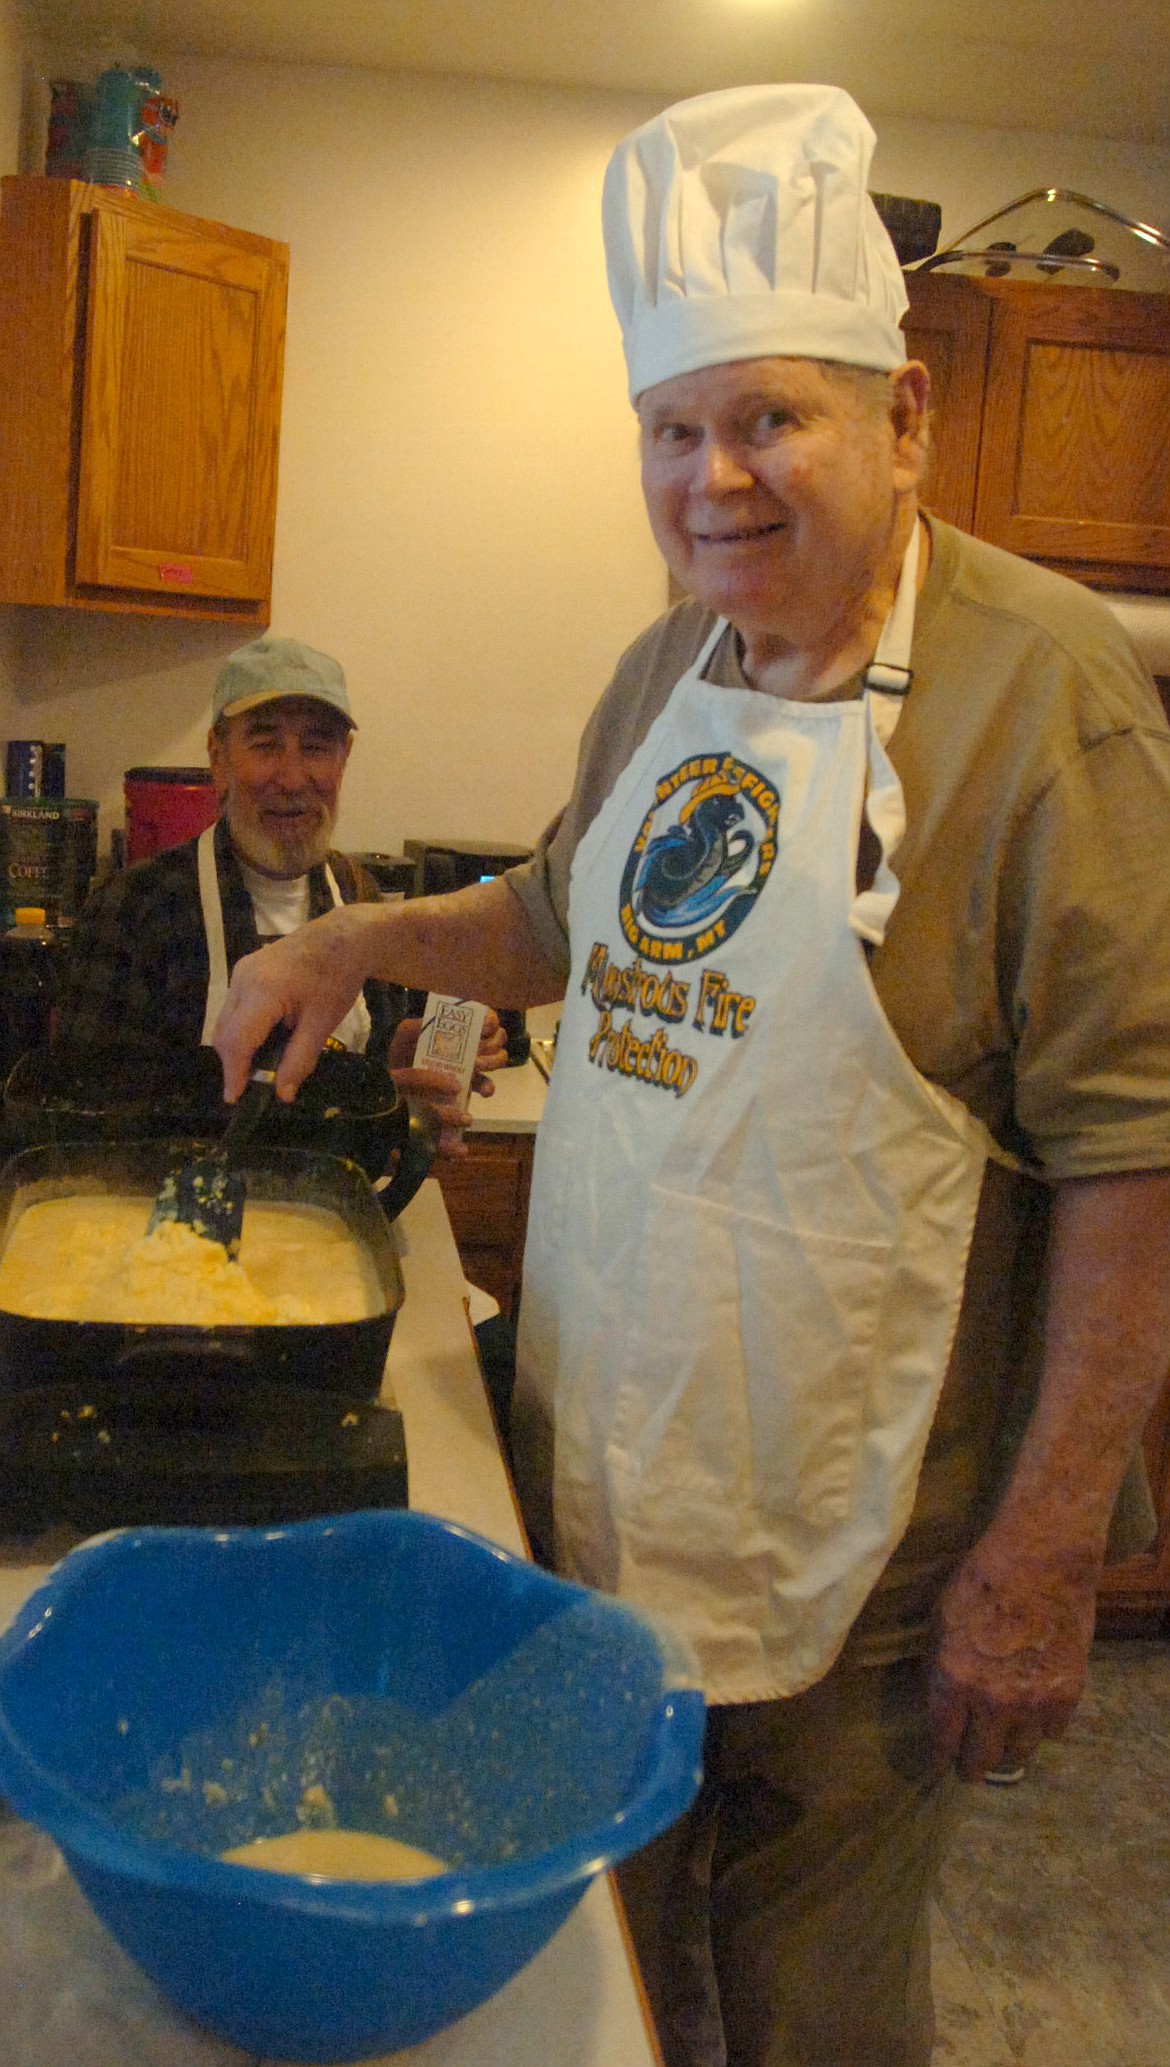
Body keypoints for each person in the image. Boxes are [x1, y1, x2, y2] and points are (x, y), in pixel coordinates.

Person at [210, 87, 1170, 2067]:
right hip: (620, 1485)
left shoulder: (1043, 694)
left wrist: (1053, 1539)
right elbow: (560, 919)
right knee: (609, 1983)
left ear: (903, 419)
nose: (715, 475)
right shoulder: (678, 661)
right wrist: (340, 938)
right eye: (675, 427)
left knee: (814, 2010)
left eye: (771, 418)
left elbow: (1136, 1151)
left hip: (870, 1540)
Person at [54, 635, 506, 1155]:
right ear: (218, 758)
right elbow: (87, 1122)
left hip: (328, 1212)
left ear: (343, 759)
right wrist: (339, 1109)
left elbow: (360, 1052)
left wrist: (398, 1060)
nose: (292, 779)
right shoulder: (135, 909)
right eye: (265, 744)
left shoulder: (357, 896)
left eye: (316, 746)